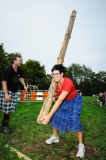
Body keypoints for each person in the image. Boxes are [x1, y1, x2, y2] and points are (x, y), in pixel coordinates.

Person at [41, 64, 85, 158]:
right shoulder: (54, 83)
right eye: (53, 74)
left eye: (57, 74)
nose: (55, 76)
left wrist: (48, 115)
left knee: (74, 121)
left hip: (75, 101)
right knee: (54, 116)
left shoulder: (68, 82)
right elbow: (53, 94)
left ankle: (81, 146)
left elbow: (60, 100)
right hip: (66, 101)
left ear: (62, 74)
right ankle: (55, 137)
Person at [0, 54, 27, 134]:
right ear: (14, 61)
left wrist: (24, 86)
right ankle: (4, 126)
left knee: (11, 109)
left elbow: (21, 78)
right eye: (19, 60)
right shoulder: (8, 69)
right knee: (7, 109)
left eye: (21, 60)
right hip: (7, 90)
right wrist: (6, 94)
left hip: (15, 91)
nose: (20, 62)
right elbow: (4, 82)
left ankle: (3, 125)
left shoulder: (19, 69)